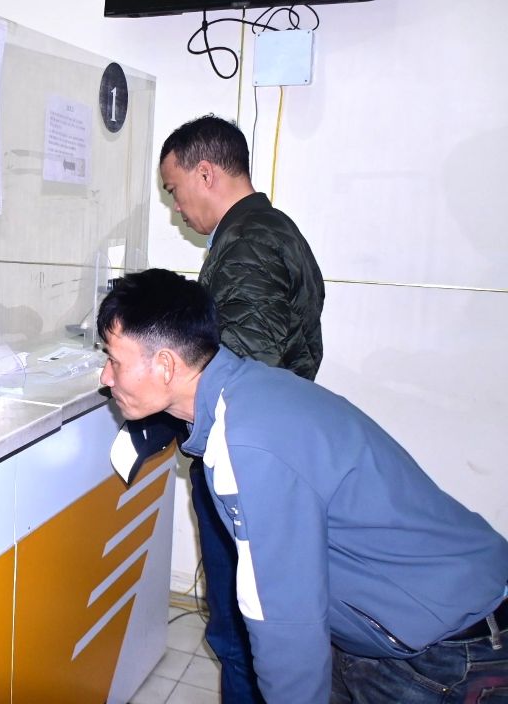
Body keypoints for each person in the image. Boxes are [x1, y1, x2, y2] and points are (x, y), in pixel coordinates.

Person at [97, 268, 508, 704]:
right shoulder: (246, 393)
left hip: (450, 649)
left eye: (115, 361)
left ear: (165, 365)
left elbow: (284, 620)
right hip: (396, 630)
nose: (106, 377)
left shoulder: (249, 442)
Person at [158, 114, 325, 702]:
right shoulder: (267, 229)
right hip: (271, 451)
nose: (176, 207)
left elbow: (242, 374)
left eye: (174, 189)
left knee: (240, 635)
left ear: (205, 172)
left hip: (246, 464)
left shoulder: (249, 244)